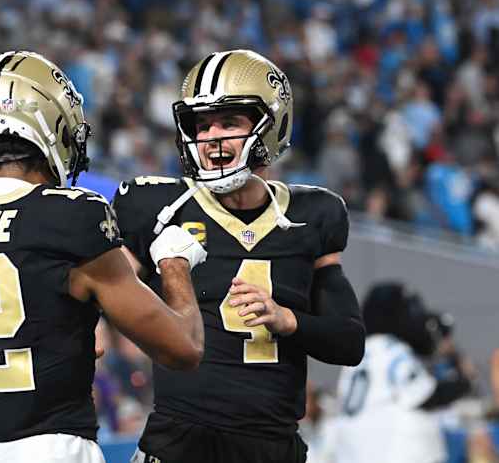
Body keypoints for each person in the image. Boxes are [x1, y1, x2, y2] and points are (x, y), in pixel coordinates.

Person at [0, 51, 207, 463]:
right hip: (53, 448)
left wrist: (61, 342)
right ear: (49, 127)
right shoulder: (68, 217)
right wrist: (175, 265)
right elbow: (183, 348)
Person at [113, 49, 365, 463]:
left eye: (229, 122)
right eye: (202, 125)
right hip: (179, 444)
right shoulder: (159, 207)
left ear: (271, 126)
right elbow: (104, 296)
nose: (212, 137)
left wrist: (287, 319)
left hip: (272, 447)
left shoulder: (311, 215)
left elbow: (349, 343)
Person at [332, 282, 472, 463]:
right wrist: (465, 383)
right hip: (389, 448)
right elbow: (426, 396)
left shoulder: (356, 354)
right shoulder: (392, 349)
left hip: (352, 449)